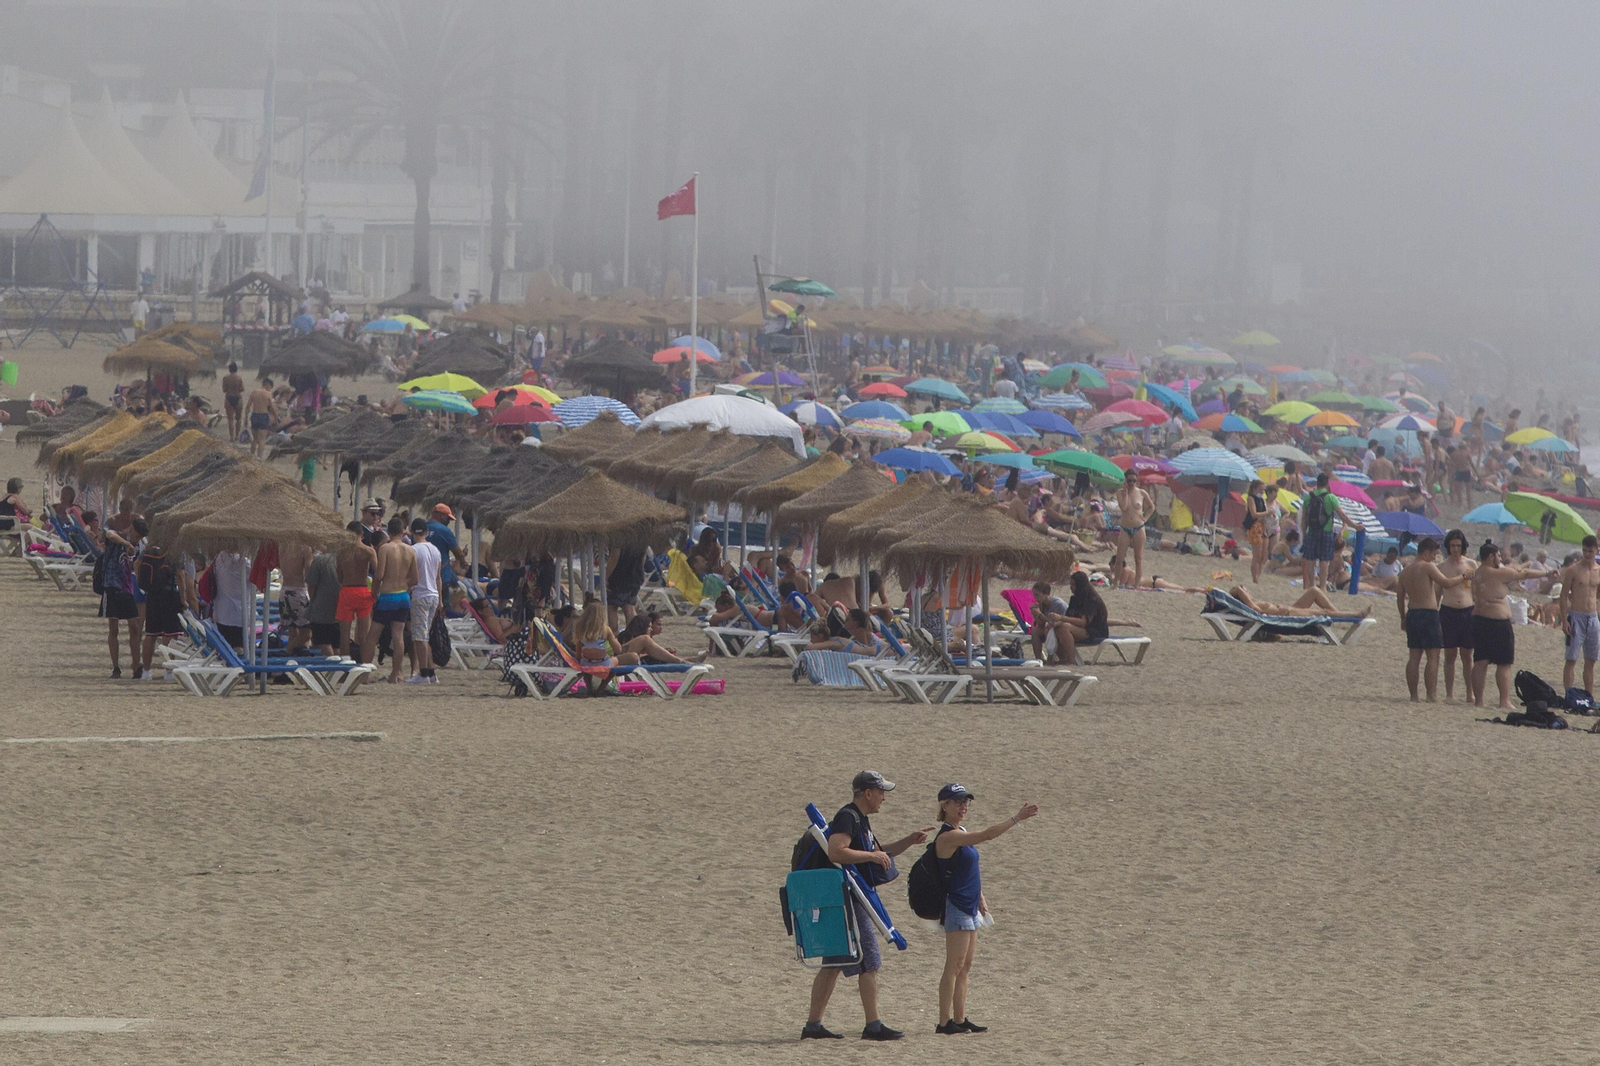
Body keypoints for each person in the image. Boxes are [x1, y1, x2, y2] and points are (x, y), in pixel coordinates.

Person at [802, 771, 930, 1042]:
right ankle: (873, 1025)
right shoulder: (849, 817)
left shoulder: (860, 819)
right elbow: (837, 851)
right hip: (848, 897)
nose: (884, 797)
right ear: (868, 793)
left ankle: (812, 1026)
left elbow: (877, 854)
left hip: (842, 897)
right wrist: (873, 855)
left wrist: (908, 840)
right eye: (881, 791)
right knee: (869, 961)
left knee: (834, 962)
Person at [931, 783, 1040, 1036]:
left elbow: (968, 868)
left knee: (966, 965)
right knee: (953, 964)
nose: (963, 807)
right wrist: (1016, 818)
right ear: (944, 805)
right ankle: (944, 1022)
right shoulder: (947, 836)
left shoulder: (962, 831)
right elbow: (987, 835)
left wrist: (980, 896)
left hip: (970, 906)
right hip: (956, 905)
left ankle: (959, 1018)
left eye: (965, 802)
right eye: (958, 802)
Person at [1470, 542, 1544, 708]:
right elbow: (1523, 573)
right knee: (1504, 663)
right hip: (1496, 623)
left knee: (1480, 660)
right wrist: (1546, 572)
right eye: (1498, 556)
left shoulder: (1477, 573)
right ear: (1490, 557)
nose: (1500, 558)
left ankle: (1479, 701)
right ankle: (1504, 700)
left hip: (1480, 620)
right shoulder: (1496, 573)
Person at [1394, 537, 1465, 702]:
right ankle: (1431, 695)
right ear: (1426, 552)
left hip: (1412, 613)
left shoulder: (1405, 571)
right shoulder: (1427, 567)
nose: (1434, 558)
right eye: (1433, 554)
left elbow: (1400, 598)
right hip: (1428, 613)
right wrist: (1463, 577)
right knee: (1433, 656)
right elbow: (1446, 583)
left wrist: (1402, 617)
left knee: (1414, 656)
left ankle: (1413, 695)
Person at [365, 526, 416, 682]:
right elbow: (415, 579)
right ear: (402, 533)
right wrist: (403, 586)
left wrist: (374, 593)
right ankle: (396, 674)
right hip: (403, 597)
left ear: (389, 534)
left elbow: (379, 575)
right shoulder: (410, 550)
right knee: (398, 636)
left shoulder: (385, 548)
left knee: (372, 637)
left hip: (387, 596)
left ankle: (364, 675)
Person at [1436, 530, 1477, 700]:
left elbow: (1477, 589)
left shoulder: (1471, 564)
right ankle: (1449, 694)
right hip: (1448, 610)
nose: (1455, 549)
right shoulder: (1442, 566)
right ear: (1448, 546)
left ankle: (1470, 693)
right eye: (1452, 546)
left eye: (1458, 546)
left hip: (1468, 610)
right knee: (1450, 655)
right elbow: (1437, 593)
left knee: (1467, 655)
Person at [101, 519, 145, 678]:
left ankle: (136, 665)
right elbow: (109, 533)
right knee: (113, 628)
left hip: (127, 589)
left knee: (135, 626)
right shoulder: (118, 538)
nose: (136, 539)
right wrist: (127, 544)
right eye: (136, 535)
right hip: (112, 586)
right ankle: (116, 667)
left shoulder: (139, 547)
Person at [1558, 535, 1600, 695]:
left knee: (1591, 661)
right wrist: (1564, 620)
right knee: (1571, 659)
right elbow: (1563, 595)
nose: (1587, 554)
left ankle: (1588, 695)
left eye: (1590, 551)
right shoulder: (1573, 570)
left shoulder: (1598, 570)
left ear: (1596, 551)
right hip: (1576, 616)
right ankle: (1569, 694)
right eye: (1584, 551)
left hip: (1593, 618)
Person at [336, 521, 379, 659]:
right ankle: (363, 662)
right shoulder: (368, 551)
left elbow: (339, 576)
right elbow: (378, 573)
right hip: (363, 590)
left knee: (345, 632)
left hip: (347, 590)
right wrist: (375, 592)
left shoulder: (342, 552)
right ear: (362, 534)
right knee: (363, 633)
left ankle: (345, 664)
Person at [408, 517, 443, 683]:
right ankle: (430, 672)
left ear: (412, 532)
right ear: (427, 532)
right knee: (426, 635)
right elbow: (438, 577)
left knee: (419, 636)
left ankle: (423, 673)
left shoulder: (413, 550)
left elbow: (412, 574)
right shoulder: (435, 550)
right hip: (433, 594)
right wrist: (441, 600)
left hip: (420, 594)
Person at [1299, 473, 1345, 591]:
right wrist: (1353, 525)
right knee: (1324, 560)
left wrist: (1304, 533)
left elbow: (1304, 518)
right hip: (1326, 531)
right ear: (1327, 483)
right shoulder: (1330, 497)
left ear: (1317, 483)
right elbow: (1341, 514)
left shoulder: (1309, 497)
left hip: (1312, 530)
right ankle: (1323, 586)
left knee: (1310, 559)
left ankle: (1311, 585)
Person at [1112, 470, 1155, 590]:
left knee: (1138, 557)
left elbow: (1151, 507)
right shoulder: (1120, 493)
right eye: (1129, 480)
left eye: (1134, 481)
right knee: (1120, 557)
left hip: (1138, 527)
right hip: (1125, 527)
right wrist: (1126, 493)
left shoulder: (1141, 493)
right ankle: (1115, 582)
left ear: (1137, 481)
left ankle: (1136, 585)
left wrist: (1145, 518)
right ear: (1125, 480)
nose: (1131, 483)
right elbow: (1124, 507)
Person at [305, 549, 342, 656]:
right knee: (336, 643)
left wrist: (313, 600)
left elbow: (311, 585)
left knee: (321, 641)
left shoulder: (320, 560)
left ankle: (333, 667)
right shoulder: (343, 558)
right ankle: (338, 667)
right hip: (340, 604)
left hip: (322, 606)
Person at [426, 504, 469, 592]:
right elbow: (458, 554)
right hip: (442, 575)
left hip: (423, 575)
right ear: (442, 516)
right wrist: (464, 561)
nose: (448, 521)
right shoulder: (445, 531)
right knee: (458, 591)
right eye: (448, 519)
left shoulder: (421, 528)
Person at [1244, 479, 1271, 583]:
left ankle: (1258, 575)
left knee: (1264, 555)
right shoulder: (1251, 498)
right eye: (1261, 489)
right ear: (1255, 488)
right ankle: (1255, 578)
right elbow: (1254, 514)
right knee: (1257, 555)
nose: (1263, 491)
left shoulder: (1262, 500)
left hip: (1263, 527)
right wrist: (1267, 513)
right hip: (1255, 527)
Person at [245, 377, 278, 458]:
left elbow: (248, 406)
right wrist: (276, 416)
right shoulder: (268, 394)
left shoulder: (254, 392)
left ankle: (251, 456)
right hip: (263, 416)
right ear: (268, 385)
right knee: (262, 439)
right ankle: (259, 458)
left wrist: (245, 418)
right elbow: (272, 407)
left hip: (254, 415)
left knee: (254, 439)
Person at [221, 362, 245, 442]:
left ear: (229, 369)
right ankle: (237, 436)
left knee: (230, 419)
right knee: (238, 418)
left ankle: (231, 437)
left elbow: (224, 390)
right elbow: (242, 389)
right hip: (238, 398)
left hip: (229, 398)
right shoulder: (239, 378)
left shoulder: (226, 378)